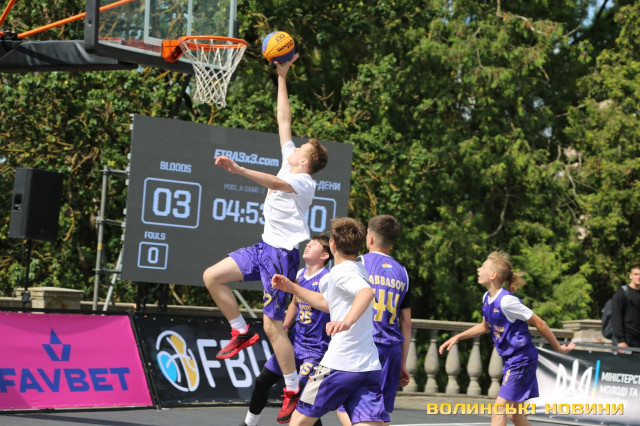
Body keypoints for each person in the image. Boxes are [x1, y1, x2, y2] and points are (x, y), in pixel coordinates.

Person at [203, 52, 329, 423]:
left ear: (305, 162)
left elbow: (275, 182)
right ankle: (240, 331)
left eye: (301, 148)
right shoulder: (292, 159)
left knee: (274, 326)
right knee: (212, 276)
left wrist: (239, 169)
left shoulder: (304, 182)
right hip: (263, 248)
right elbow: (284, 119)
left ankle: (290, 388)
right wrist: (282, 76)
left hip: (281, 255)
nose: (295, 146)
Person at [272, 217, 389, 426]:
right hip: (368, 367)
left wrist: (346, 322)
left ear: (332, 244)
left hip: (340, 364)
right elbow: (328, 303)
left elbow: (366, 293)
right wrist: (292, 287)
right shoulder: (359, 267)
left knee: (297, 422)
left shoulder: (342, 272)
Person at [439, 251, 575, 426]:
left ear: (493, 275)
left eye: (483, 267)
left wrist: (558, 347)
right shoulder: (487, 298)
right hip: (512, 360)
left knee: (499, 409)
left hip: (522, 360)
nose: (478, 269)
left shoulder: (507, 302)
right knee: (515, 415)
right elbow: (485, 326)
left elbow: (540, 323)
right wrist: (458, 337)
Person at [240, 235, 332, 426]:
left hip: (316, 350)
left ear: (324, 256)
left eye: (314, 244)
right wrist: (285, 325)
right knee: (262, 381)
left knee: (303, 400)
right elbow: (295, 303)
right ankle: (249, 423)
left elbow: (328, 305)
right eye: (308, 242)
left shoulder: (326, 278)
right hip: (294, 345)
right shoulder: (299, 275)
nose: (308, 245)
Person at [336, 215, 411, 426]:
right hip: (392, 349)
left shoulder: (357, 264)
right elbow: (406, 323)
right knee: (379, 413)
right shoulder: (403, 272)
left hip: (364, 346)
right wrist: (403, 362)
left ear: (369, 238)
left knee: (343, 402)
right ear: (392, 242)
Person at [611, 264, 640, 354]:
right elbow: (616, 318)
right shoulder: (622, 293)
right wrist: (621, 340)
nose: (638, 277)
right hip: (626, 340)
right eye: (636, 274)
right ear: (630, 276)